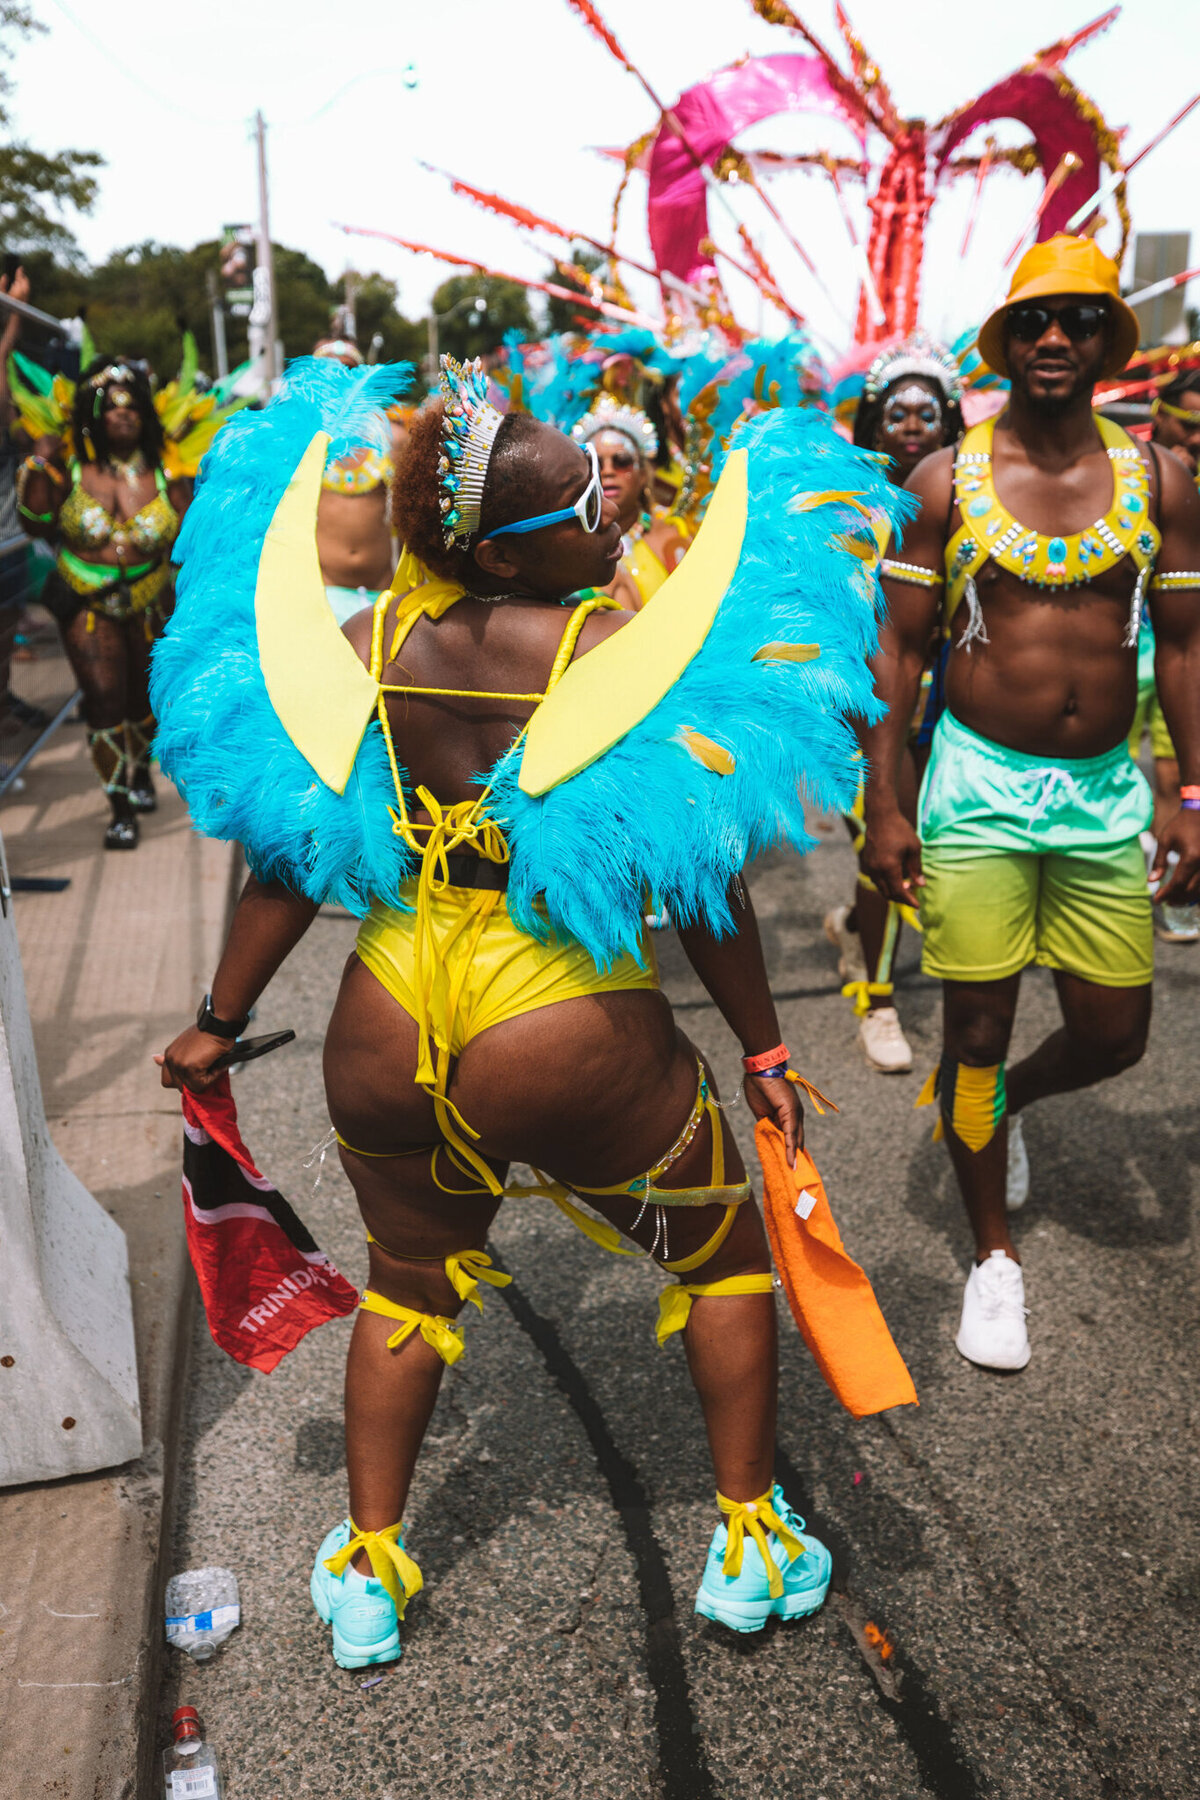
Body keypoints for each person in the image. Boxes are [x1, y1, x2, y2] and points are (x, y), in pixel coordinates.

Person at [153, 354, 905, 1670]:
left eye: (605, 499)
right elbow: (699, 880)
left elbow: (292, 852)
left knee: (408, 1290)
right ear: (503, 555)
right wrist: (768, 1046)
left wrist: (218, 1019)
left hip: (388, 1015)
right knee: (725, 1259)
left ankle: (371, 1573)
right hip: (558, 1015)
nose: (611, 519)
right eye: (581, 510)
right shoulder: (610, 653)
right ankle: (748, 1541)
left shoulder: (365, 645)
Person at [861, 235, 1200, 1372]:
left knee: (1115, 1034)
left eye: (1082, 321)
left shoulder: (1162, 479)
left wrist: (1188, 790)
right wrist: (887, 807)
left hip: (1107, 796)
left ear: (1109, 341)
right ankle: (993, 1260)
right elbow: (897, 657)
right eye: (1037, 321)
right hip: (977, 794)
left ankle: (1000, 1103)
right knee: (972, 1026)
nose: (1058, 339)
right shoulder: (938, 481)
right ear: (1008, 342)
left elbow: (1190, 645)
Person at [824, 335, 965, 1074]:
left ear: (950, 423)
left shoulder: (974, 503)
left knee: (913, 844)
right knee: (880, 834)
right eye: (897, 412)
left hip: (948, 709)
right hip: (862, 708)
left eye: (928, 412)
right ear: (875, 425)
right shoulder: (844, 511)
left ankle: (854, 927)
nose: (912, 424)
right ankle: (877, 1000)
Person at [16, 356, 191, 846]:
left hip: (152, 598)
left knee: (144, 699)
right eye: (111, 406)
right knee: (103, 697)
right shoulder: (70, 466)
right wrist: (38, 459)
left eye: (132, 405)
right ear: (92, 411)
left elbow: (193, 533)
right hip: (87, 603)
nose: (123, 413)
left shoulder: (165, 469)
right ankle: (118, 805)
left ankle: (138, 773)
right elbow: (33, 521)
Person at [1137, 362, 1200, 941]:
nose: (1198, 436)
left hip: (1184, 652)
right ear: (1159, 414)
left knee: (1176, 771)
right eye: (1189, 422)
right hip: (1126, 653)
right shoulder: (1131, 474)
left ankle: (1173, 885)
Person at [570, 393, 690, 608]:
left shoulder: (672, 539)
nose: (607, 472)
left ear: (643, 475)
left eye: (621, 461)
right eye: (595, 463)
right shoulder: (567, 546)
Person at [312, 335, 398, 624]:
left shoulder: (392, 438)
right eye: (327, 371)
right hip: (322, 596)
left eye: (347, 370)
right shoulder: (298, 444)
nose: (338, 379)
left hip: (384, 595)